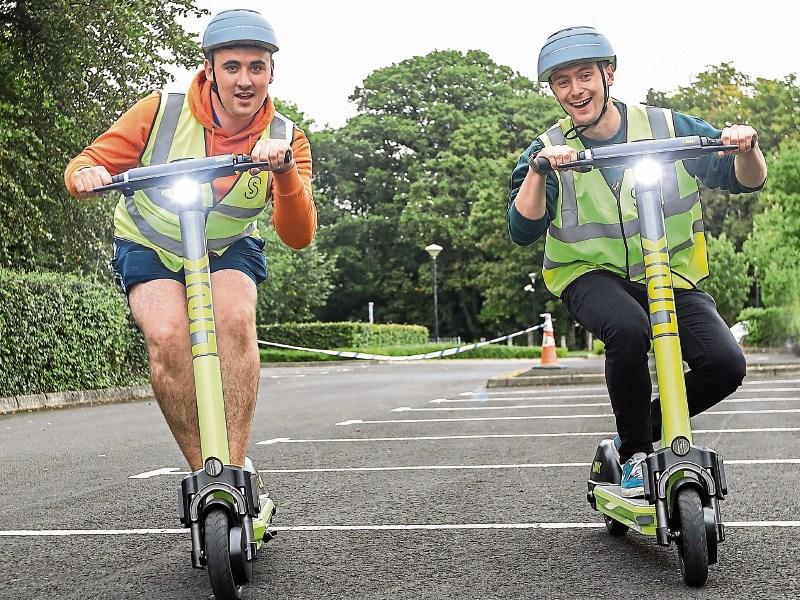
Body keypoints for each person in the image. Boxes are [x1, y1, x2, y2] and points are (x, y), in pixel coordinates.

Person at [508, 26, 767, 497]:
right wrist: (540, 170)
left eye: (585, 76)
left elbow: (745, 180)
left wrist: (746, 146)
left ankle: (633, 434)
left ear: (608, 74)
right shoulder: (548, 147)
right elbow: (522, 229)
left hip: (669, 274)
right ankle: (634, 456)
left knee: (726, 364)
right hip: (589, 275)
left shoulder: (666, 127)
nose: (575, 90)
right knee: (628, 329)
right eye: (562, 82)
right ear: (554, 91)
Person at [64, 9, 316, 473]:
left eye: (256, 67)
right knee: (167, 336)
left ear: (271, 73)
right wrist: (86, 175)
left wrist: (282, 172)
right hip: (150, 243)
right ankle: (206, 473)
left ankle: (233, 472)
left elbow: (298, 236)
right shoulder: (161, 111)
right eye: (232, 67)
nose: (245, 80)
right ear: (210, 70)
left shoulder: (285, 137)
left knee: (234, 320)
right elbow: (86, 163)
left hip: (226, 247)